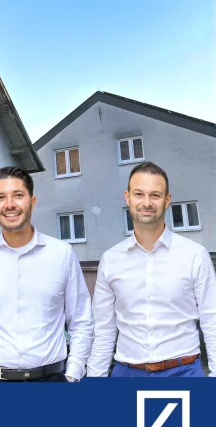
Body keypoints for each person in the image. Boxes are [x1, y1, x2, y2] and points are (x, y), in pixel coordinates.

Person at [0, 166, 94, 382]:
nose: (10, 205)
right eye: (1, 197)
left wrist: (73, 373)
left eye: (18, 195)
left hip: (51, 380)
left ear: (32, 202)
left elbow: (82, 321)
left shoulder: (62, 255)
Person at [87, 161, 216, 378]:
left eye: (155, 195)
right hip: (127, 374)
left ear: (167, 200)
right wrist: (95, 379)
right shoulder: (110, 260)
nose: (147, 203)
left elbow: (212, 320)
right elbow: (103, 331)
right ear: (127, 197)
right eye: (139, 194)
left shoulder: (195, 255)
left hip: (184, 373)